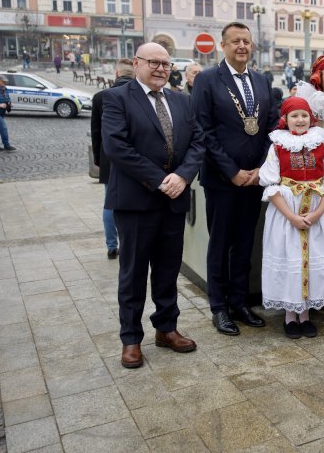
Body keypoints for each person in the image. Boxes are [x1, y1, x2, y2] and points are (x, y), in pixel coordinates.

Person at [101, 42, 205, 369]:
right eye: (154, 62)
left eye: (166, 63)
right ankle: (131, 339)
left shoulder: (182, 101)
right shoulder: (117, 99)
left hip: (173, 202)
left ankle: (166, 328)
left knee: (166, 270)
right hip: (136, 203)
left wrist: (184, 176)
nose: (161, 68)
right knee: (132, 274)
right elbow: (117, 147)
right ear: (137, 63)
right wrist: (161, 180)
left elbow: (198, 142)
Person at [192, 22, 277, 336]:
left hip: (254, 179)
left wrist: (259, 170)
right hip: (222, 180)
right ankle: (219, 307)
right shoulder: (207, 80)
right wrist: (232, 171)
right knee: (221, 244)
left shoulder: (261, 80)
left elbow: (270, 127)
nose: (242, 46)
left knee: (244, 244)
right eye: (235, 41)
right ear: (223, 46)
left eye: (247, 41)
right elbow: (203, 130)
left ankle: (240, 303)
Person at [258, 97, 324, 339]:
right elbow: (271, 186)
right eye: (294, 116)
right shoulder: (277, 146)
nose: (300, 120)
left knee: (313, 258)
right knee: (290, 260)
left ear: (311, 118)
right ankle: (290, 314)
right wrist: (292, 217)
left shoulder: (321, 144)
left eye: (304, 115)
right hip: (287, 212)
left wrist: (318, 213)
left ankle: (306, 313)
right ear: (285, 120)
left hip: (317, 209)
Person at [91, 58, 134, 259]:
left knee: (110, 202)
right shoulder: (138, 94)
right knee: (132, 203)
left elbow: (96, 131)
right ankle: (129, 244)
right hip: (134, 157)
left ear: (116, 74)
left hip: (108, 157)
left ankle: (111, 245)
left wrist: (99, 159)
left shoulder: (101, 97)